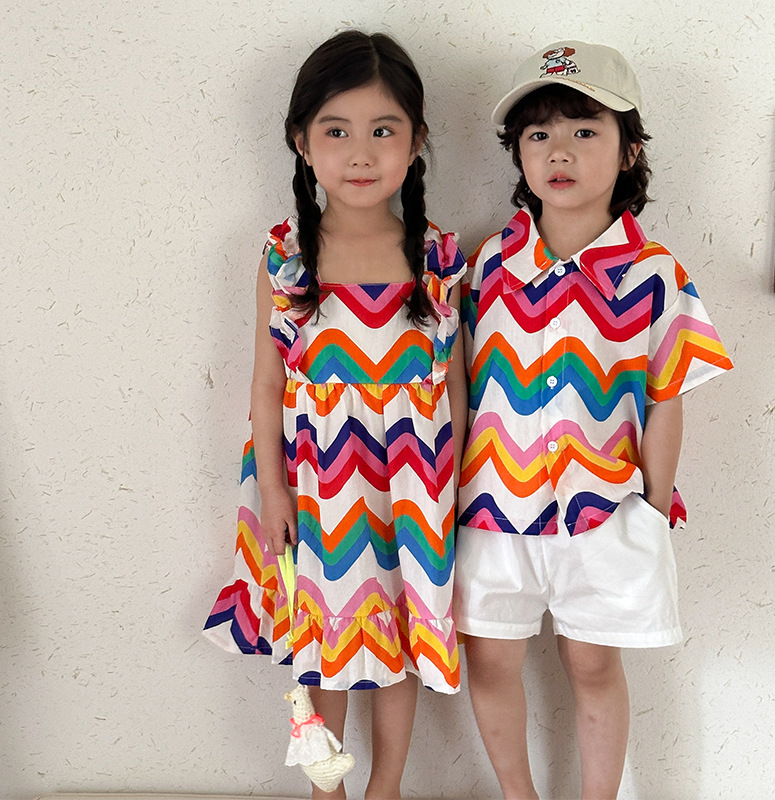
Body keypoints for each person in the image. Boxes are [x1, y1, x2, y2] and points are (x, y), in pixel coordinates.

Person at [455, 41, 733, 800]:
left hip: (606, 507)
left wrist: (652, 504)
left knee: (592, 662)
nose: (560, 151)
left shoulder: (655, 272)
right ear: (518, 153)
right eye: (538, 133)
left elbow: (667, 394)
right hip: (493, 504)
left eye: (585, 130)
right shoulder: (487, 266)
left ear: (629, 150)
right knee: (491, 659)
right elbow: (463, 383)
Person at [203, 30, 467, 800]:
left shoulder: (439, 255)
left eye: (383, 130)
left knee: (400, 638)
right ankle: (329, 789)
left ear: (416, 140)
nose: (360, 152)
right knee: (325, 641)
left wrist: (450, 490)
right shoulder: (286, 255)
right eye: (336, 130)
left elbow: (453, 386)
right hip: (318, 485)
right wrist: (273, 492)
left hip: (415, 484)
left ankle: (386, 788)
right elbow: (266, 386)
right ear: (302, 141)